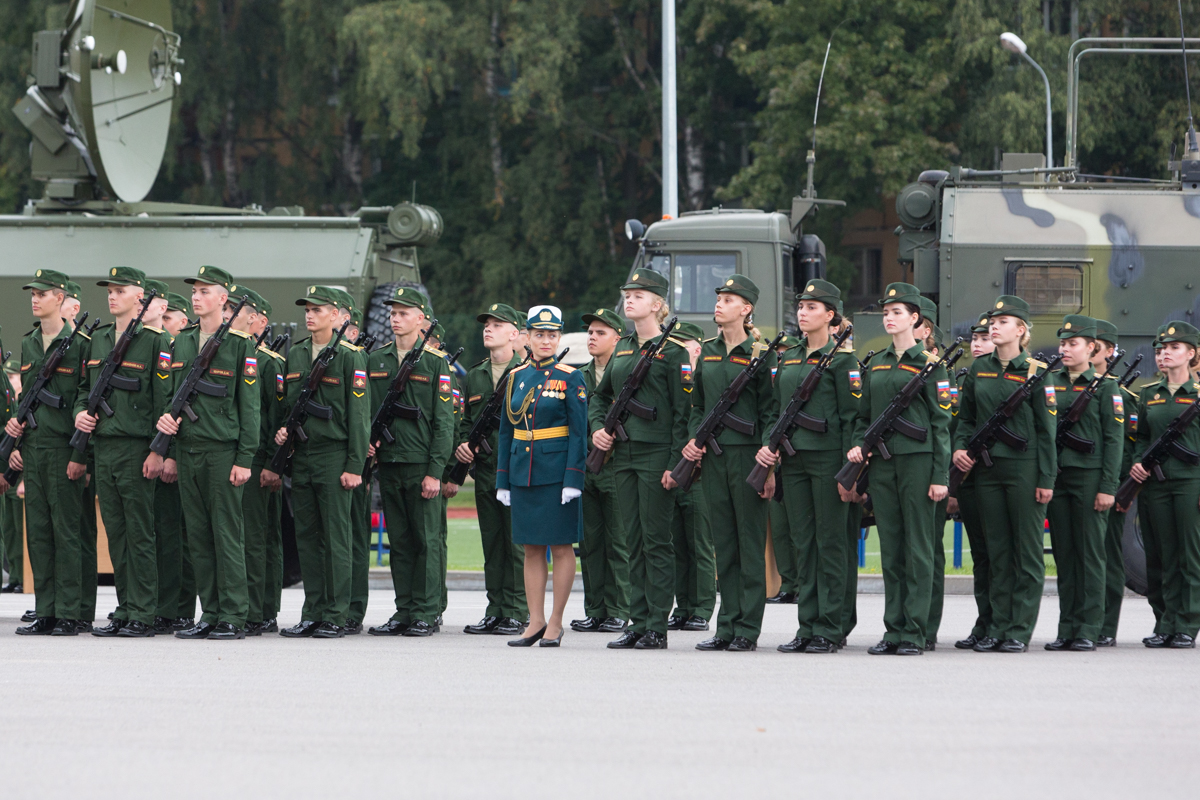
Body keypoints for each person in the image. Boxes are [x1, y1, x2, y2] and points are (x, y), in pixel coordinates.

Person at [156, 266, 260, 640]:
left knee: (227, 535)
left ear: (223, 299)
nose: (196, 297)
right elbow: (170, 398)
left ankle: (233, 615)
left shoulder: (239, 344)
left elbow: (250, 408)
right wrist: (166, 432)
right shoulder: (180, 342)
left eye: (204, 291)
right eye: (194, 291)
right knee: (198, 536)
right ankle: (211, 612)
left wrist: (245, 458)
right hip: (188, 451)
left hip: (221, 452)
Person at [847, 283, 950, 655]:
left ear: (915, 319)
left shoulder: (931, 366)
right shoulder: (875, 363)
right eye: (886, 312)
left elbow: (941, 426)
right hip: (884, 465)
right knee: (890, 548)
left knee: (918, 549)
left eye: (897, 313)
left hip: (919, 465)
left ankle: (915, 631)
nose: (889, 318)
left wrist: (941, 477)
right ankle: (893, 629)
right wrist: (859, 443)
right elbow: (863, 416)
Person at [590, 270, 691, 650]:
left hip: (655, 456)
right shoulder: (624, 348)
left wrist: (674, 462)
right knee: (632, 539)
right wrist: (598, 428)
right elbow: (601, 397)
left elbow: (684, 412)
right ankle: (637, 620)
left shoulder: (675, 351)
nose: (629, 300)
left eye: (638, 295)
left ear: (657, 304)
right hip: (623, 455)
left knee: (655, 541)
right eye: (627, 294)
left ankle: (655, 626)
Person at [758, 280, 858, 653]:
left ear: (830, 316)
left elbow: (852, 419)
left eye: (812, 307)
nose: (803, 312)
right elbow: (775, 410)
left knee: (830, 543)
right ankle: (808, 625)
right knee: (804, 545)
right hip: (794, 461)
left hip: (828, 461)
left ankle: (830, 627)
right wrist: (769, 451)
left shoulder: (843, 361)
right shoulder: (789, 357)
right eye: (801, 306)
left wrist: (851, 472)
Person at [74, 267, 174, 637]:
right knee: (116, 532)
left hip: (136, 448)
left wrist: (158, 451)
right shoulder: (98, 339)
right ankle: (126, 606)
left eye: (120, 290)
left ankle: (143, 612)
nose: (112, 296)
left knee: (140, 533)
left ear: (140, 297)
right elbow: (84, 393)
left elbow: (164, 401)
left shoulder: (154, 341)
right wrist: (80, 415)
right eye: (109, 290)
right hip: (104, 447)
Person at [953, 295, 1056, 653]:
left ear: (1021, 330)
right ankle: (996, 625)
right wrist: (959, 448)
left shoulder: (1037, 372)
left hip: (1024, 471)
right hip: (986, 471)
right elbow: (965, 419)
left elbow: (1047, 432)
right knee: (996, 552)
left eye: (1003, 322)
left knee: (1025, 552)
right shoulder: (979, 369)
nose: (994, 327)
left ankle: (1019, 628)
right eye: (992, 322)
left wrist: (1046, 479)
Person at [682, 274, 778, 652]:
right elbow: (697, 407)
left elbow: (772, 410)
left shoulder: (761, 353)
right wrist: (693, 440)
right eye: (719, 297)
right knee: (724, 544)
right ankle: (726, 626)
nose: (719, 303)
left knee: (749, 544)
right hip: (714, 458)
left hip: (747, 457)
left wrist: (768, 458)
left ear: (746, 308)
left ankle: (747, 629)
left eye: (728, 299)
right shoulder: (706, 351)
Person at [270, 286, 366, 638]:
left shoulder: (348, 357)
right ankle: (312, 611)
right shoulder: (294, 355)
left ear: (337, 314)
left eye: (317, 309)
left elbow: (359, 417)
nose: (309, 315)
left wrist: (355, 465)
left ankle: (336, 614)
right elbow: (287, 407)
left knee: (336, 538)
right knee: (307, 537)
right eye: (307, 309)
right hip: (304, 457)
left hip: (334, 455)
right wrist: (283, 432)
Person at [365, 287, 452, 638]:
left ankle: (427, 612)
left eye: (403, 313)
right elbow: (367, 412)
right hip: (390, 462)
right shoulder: (377, 359)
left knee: (426, 541)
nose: (395, 319)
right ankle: (404, 610)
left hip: (419, 465)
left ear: (421, 319)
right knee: (399, 541)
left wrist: (435, 472)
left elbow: (444, 423)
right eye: (393, 313)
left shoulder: (434, 363)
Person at [498, 305, 587, 647]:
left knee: (562, 547)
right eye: (539, 334)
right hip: (523, 472)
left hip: (556, 474)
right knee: (531, 548)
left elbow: (580, 433)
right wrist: (502, 480)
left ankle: (555, 621)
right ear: (527, 337)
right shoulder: (517, 376)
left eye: (552, 335)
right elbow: (507, 432)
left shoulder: (570, 377)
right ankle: (534, 621)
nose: (546, 340)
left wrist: (573, 479)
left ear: (559, 337)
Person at [11, 269, 89, 636]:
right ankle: (46, 610)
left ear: (60, 299)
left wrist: (80, 457)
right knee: (39, 533)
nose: (35, 298)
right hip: (35, 447)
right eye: (33, 293)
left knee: (66, 532)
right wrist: (16, 429)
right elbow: (27, 397)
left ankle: (70, 612)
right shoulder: (29, 343)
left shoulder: (81, 343)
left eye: (42, 294)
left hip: (63, 448)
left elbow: (87, 399)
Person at [1044, 315, 1123, 651]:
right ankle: (1067, 627)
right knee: (1065, 554)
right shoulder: (1051, 381)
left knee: (1090, 555)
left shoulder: (1106, 388)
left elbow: (1114, 440)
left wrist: (1108, 486)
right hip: (1059, 478)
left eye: (1073, 343)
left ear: (1091, 348)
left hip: (1090, 480)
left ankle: (1089, 628)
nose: (1065, 349)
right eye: (1062, 343)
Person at [455, 303, 527, 636]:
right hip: (486, 470)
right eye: (486, 324)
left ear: (514, 334)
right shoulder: (476, 375)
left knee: (516, 545)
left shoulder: (527, 373)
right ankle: (495, 608)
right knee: (492, 543)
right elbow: (467, 422)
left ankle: (516, 610)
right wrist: (463, 444)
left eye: (497, 325)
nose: (488, 329)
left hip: (517, 470)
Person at [1127, 321, 1200, 648]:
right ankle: (1163, 622)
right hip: (1155, 485)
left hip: (1189, 484)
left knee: (1187, 556)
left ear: (1191, 354)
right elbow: (1141, 437)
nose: (1164, 355)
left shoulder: (1197, 396)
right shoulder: (1149, 394)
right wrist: (1138, 462)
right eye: (1160, 350)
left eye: (1172, 348)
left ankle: (1186, 624)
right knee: (1157, 556)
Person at [223, 286, 284, 636]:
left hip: (258, 459)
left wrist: (273, 464)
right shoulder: (228, 352)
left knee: (257, 538)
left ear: (260, 321)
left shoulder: (268, 363)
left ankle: (259, 609)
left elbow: (274, 419)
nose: (232, 314)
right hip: (231, 456)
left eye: (239, 309)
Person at [572, 307, 631, 633]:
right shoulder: (578, 376)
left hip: (617, 467)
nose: (592, 338)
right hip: (586, 467)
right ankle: (595, 609)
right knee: (590, 543)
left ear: (617, 339)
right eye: (590, 333)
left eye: (600, 333)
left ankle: (620, 608)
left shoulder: (626, 373)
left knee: (618, 543)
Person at [667, 321, 715, 632]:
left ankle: (702, 607)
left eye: (682, 345)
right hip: (674, 468)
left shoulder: (705, 380)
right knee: (677, 545)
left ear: (696, 348)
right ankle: (682, 606)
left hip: (698, 471)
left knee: (699, 543)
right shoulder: (673, 377)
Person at [952, 314, 996, 650]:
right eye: (974, 339)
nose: (977, 344)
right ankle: (983, 623)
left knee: (999, 553)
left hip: (995, 476)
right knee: (980, 556)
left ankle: (1002, 623)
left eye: (985, 338)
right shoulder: (964, 379)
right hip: (965, 477)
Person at [156, 290, 197, 629]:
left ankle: (181, 608)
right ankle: (162, 604)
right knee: (162, 536)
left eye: (168, 317)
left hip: (180, 457)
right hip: (156, 454)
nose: (162, 322)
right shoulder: (160, 352)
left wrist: (170, 457)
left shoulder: (186, 352)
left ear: (183, 322)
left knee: (181, 538)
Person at [1092, 318, 1134, 646]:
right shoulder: (1068, 388)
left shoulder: (1122, 396)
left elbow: (1127, 447)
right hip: (1078, 482)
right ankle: (1082, 623)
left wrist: (1122, 488)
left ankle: (1105, 626)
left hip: (1112, 486)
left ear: (1108, 352)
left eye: (1095, 345)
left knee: (1108, 555)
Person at [915, 296, 949, 648]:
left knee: (929, 551)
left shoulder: (938, 369)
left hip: (930, 465)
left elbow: (945, 424)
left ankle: (926, 626)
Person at [1, 354, 22, 594]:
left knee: (20, 529)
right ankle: (14, 575)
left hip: (18, 474)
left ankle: (21, 576)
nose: (9, 379)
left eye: (13, 375)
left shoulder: (20, 399)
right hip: (4, 469)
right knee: (8, 528)